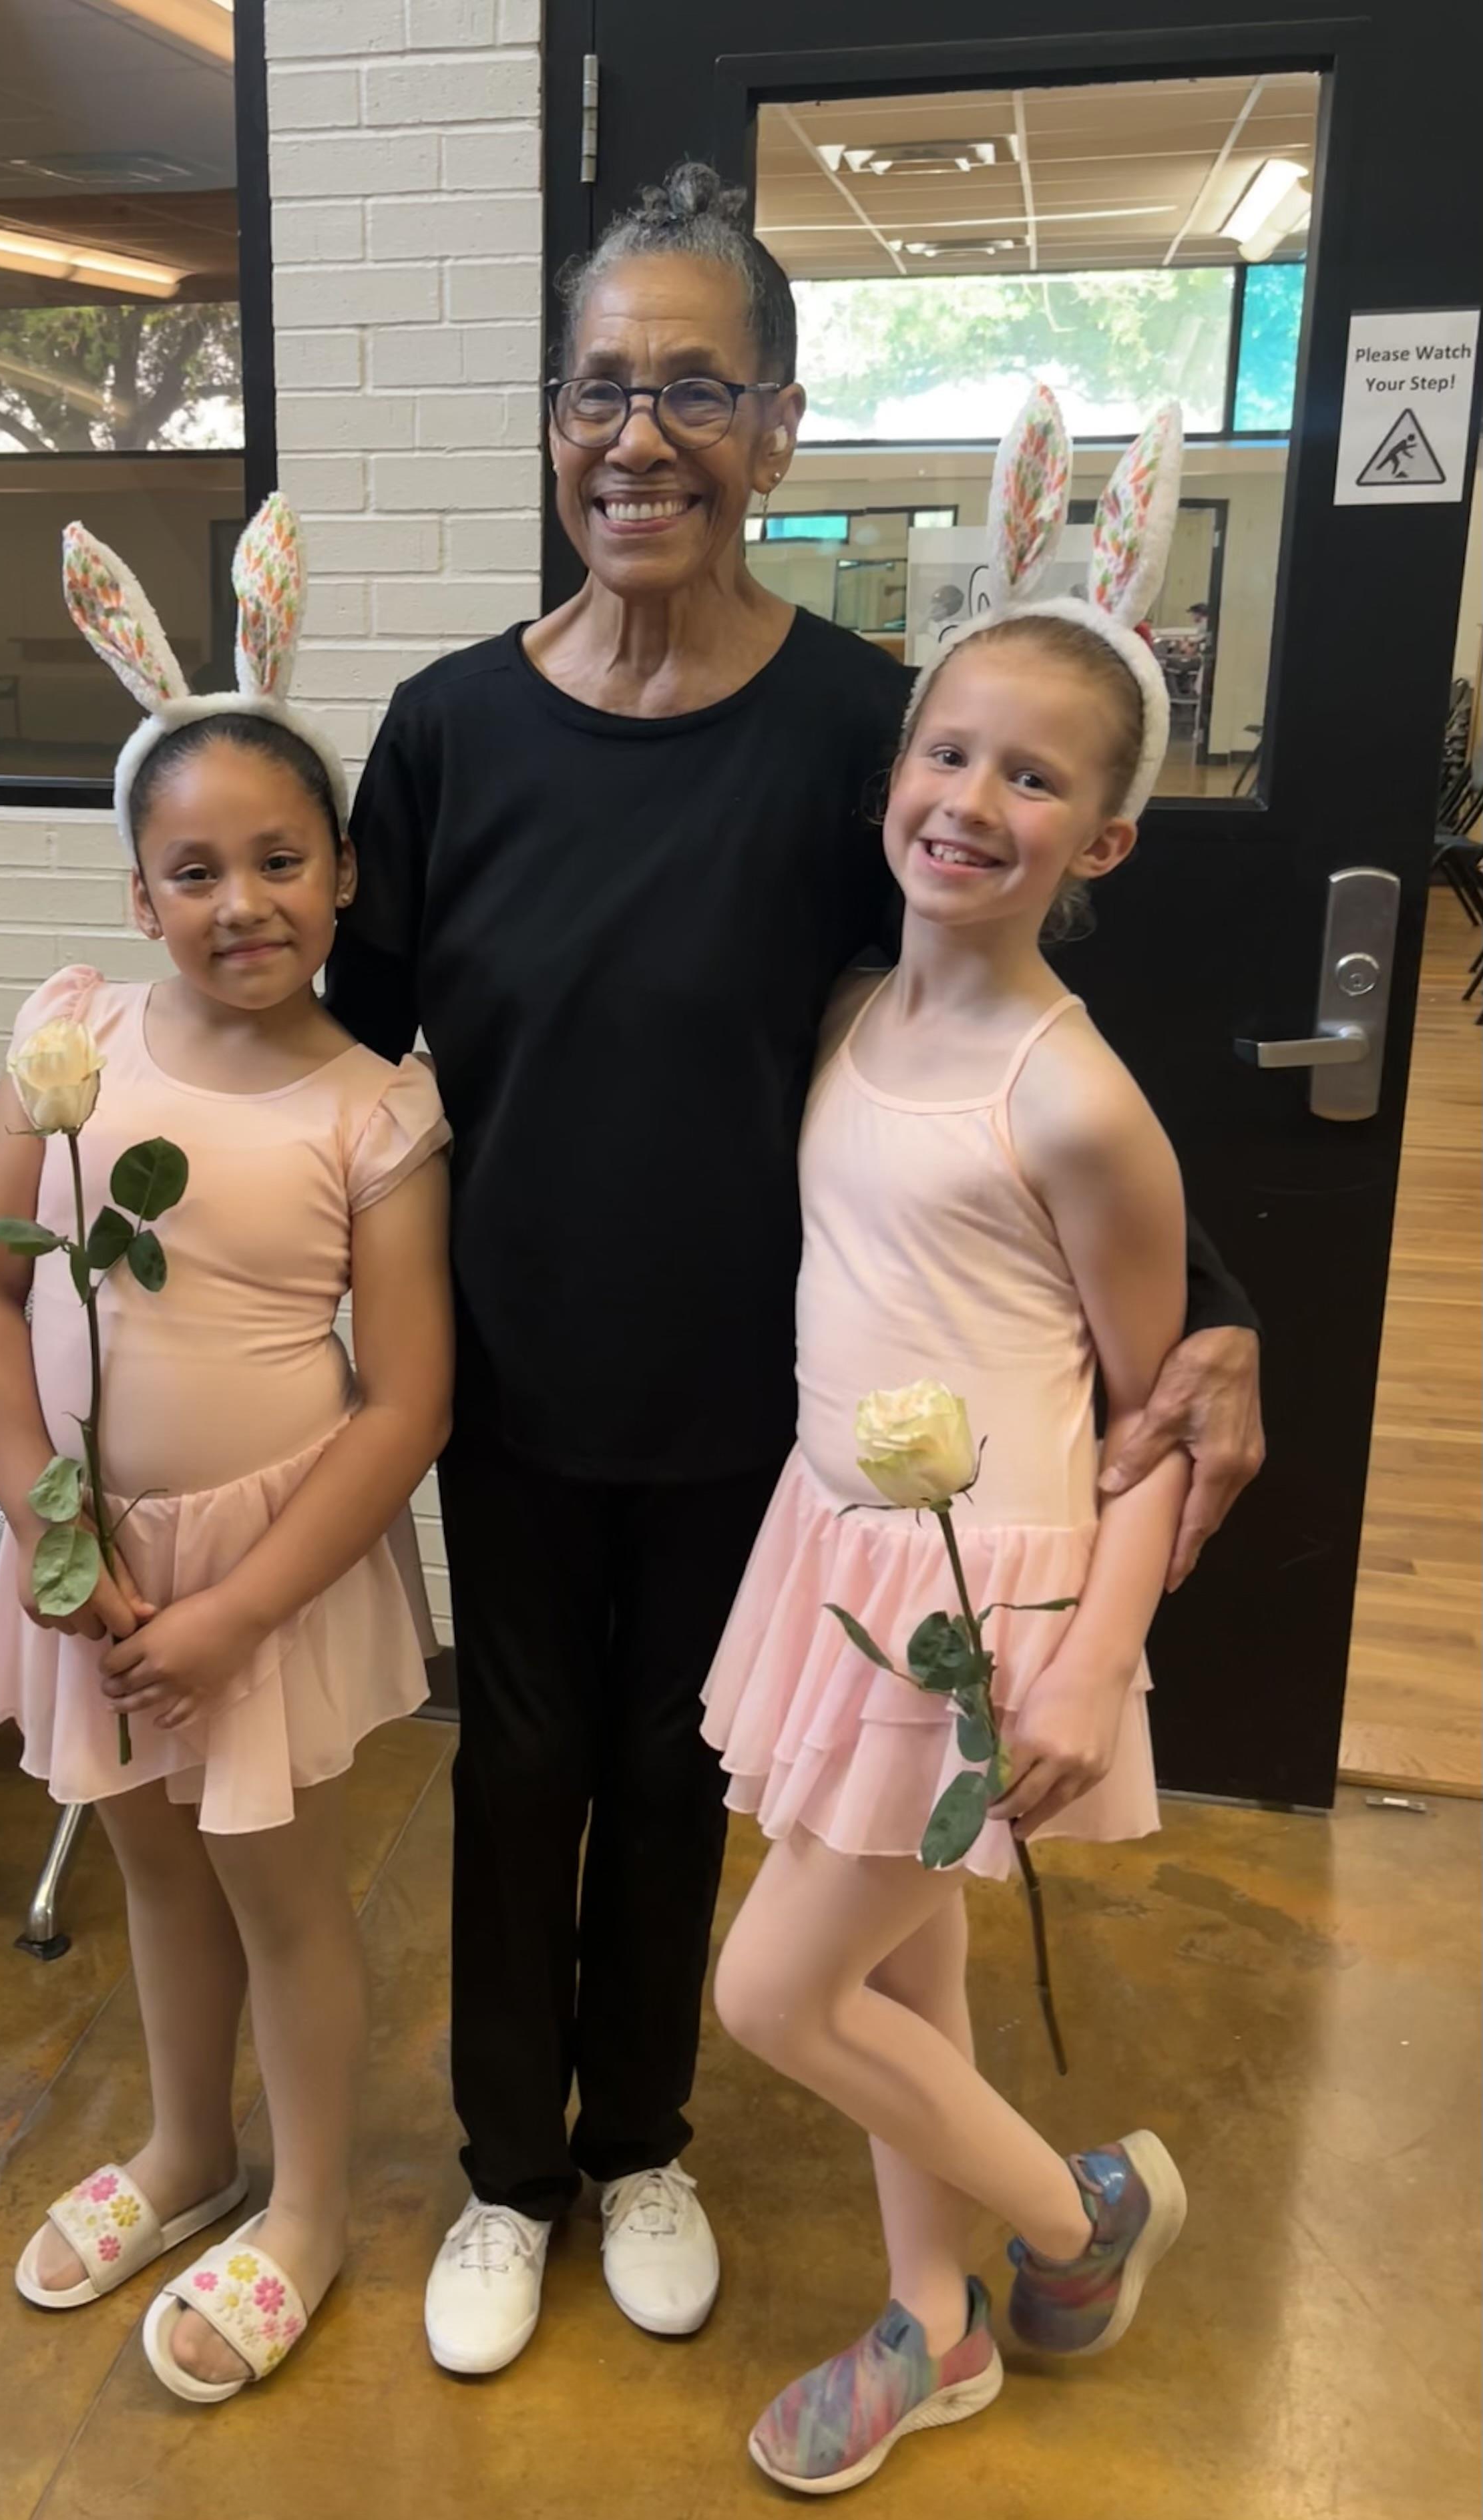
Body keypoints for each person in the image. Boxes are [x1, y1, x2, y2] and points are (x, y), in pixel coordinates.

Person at [327, 164, 1264, 2379]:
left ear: (780, 429)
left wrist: (1209, 1303)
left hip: (783, 1412)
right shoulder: (454, 728)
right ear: (550, 425)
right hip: (512, 1373)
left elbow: (996, 1033)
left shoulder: (867, 728)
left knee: (678, 1784)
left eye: (693, 391)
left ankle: (642, 2136)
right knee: (513, 1771)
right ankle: (505, 2175)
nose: (635, 438)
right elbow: (346, 1037)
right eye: (596, 389)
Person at [702, 389, 1194, 2494]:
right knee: (911, 1952)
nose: (976, 798)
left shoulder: (1073, 1100)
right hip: (838, 1549)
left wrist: (1084, 1658)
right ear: (896, 772)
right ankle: (941, 2325)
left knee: (778, 1999)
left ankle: (1087, 2222)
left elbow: (1161, 1412)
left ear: (1107, 837)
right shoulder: (853, 1016)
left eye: (1038, 777)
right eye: (951, 750)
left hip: (979, 1605)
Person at [0, 497, 452, 2406]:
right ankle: (187, 2150)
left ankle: (306, 2205)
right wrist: (43, 1531)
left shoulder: (373, 1109)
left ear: (338, 878)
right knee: (152, 1866)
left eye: (280, 860)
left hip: (260, 1580)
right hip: (89, 1563)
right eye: (195, 868)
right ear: (137, 890)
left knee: (278, 1885)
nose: (242, 902)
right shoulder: (72, 1040)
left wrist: (234, 1608)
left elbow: (407, 1400)